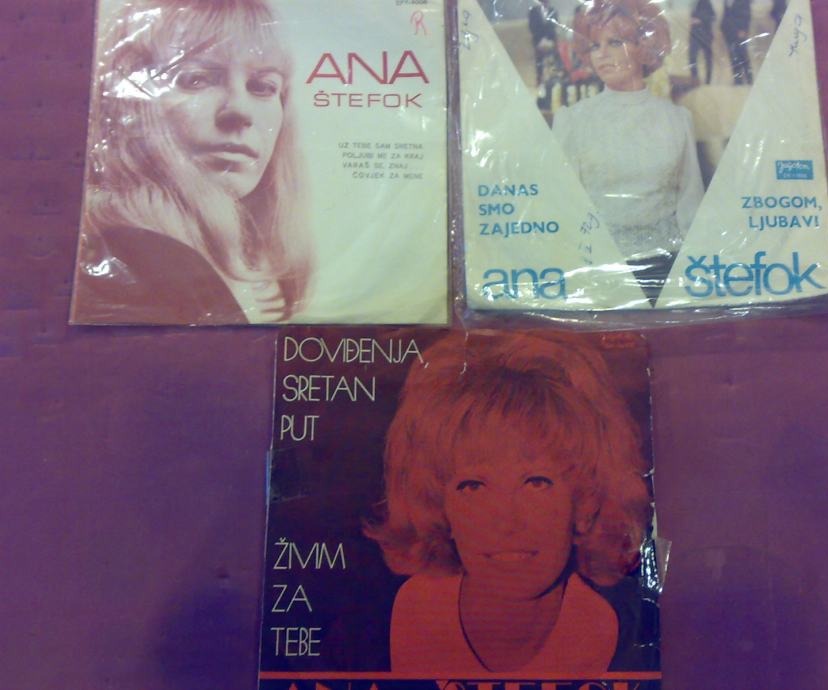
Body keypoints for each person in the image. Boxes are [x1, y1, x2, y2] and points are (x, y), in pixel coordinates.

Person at [365, 331, 652, 674]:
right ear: (438, 507)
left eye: (536, 483)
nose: (506, 521)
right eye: (473, 486)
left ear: (585, 504)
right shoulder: (387, 625)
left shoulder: (623, 633)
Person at [71, 0, 311, 325]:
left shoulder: (237, 268)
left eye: (263, 87)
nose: (239, 111)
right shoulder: (137, 259)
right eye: (196, 79)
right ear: (130, 106)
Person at [552, 0, 704, 302]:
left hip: (668, 270)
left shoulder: (677, 119)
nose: (601, 54)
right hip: (598, 272)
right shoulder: (572, 120)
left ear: (644, 47)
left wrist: (691, 277)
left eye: (614, 42)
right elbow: (563, 207)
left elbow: (691, 205)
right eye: (594, 45)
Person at [722, 0, 753, 85]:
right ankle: (738, 80)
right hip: (729, 33)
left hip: (740, 32)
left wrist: (744, 29)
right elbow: (726, 14)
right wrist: (723, 28)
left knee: (743, 56)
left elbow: (747, 15)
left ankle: (749, 79)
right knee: (733, 57)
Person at [689, 0, 716, 85]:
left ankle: (707, 81)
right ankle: (695, 80)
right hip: (695, 35)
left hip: (705, 34)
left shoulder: (706, 2)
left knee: (707, 60)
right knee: (692, 58)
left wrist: (699, 19)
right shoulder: (695, 3)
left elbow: (713, 17)